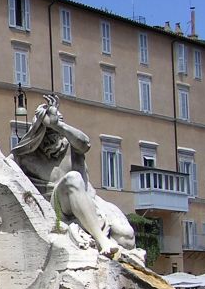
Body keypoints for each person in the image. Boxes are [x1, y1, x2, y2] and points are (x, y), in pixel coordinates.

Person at [11, 94, 135, 255]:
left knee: (126, 237)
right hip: (55, 207)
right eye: (48, 131)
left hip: (87, 199)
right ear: (38, 132)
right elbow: (2, 166)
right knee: (73, 178)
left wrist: (58, 125)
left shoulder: (72, 145)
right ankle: (101, 240)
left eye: (58, 130)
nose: (54, 136)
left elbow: (85, 143)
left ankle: (100, 233)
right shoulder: (26, 156)